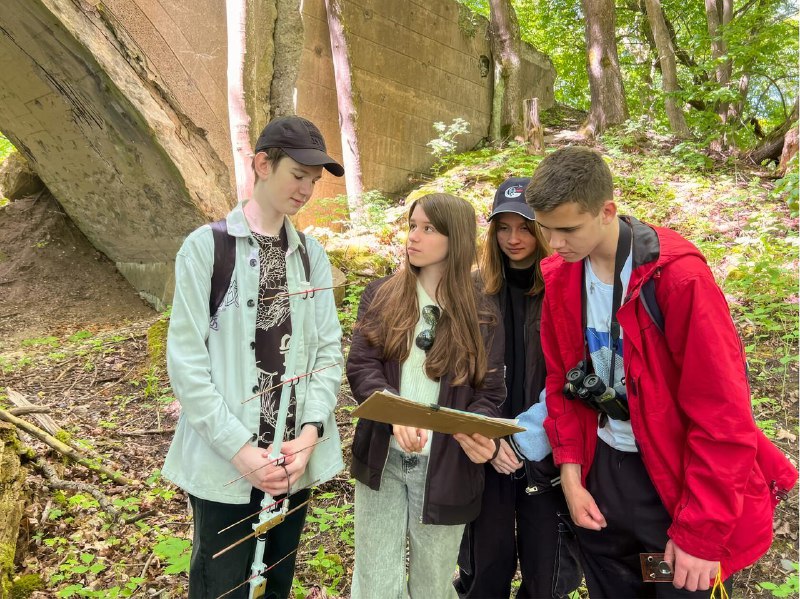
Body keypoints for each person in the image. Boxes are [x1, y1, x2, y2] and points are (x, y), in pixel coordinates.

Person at [525, 145, 798, 598]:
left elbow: (723, 415)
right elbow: (561, 384)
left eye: (568, 229)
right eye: (545, 228)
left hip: (673, 485)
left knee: (675, 585)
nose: (553, 243)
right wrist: (571, 477)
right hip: (603, 477)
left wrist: (700, 536)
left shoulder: (677, 280)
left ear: (607, 211)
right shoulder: (562, 276)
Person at [163, 115, 346, 599]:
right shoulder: (208, 248)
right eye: (298, 175)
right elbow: (186, 364)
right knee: (220, 585)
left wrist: (308, 437)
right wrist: (241, 451)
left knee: (275, 585)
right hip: (226, 462)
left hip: (291, 462)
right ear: (263, 164)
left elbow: (327, 353)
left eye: (313, 180)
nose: (306, 190)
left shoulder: (310, 256)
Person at [346, 193, 506, 599]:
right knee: (376, 587)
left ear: (457, 239)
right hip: (383, 459)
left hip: (446, 467)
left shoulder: (482, 313)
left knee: (432, 586)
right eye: (412, 226)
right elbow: (362, 367)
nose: (413, 237)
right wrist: (394, 412)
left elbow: (489, 391)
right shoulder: (382, 295)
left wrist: (479, 432)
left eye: (428, 229)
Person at [455, 178, 581, 599]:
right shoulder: (473, 290)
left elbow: (574, 374)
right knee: (484, 563)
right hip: (485, 446)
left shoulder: (565, 288)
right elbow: (456, 371)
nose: (513, 239)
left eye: (525, 227)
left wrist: (538, 437)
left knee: (547, 568)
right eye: (504, 228)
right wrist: (483, 435)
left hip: (547, 445)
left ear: (543, 229)